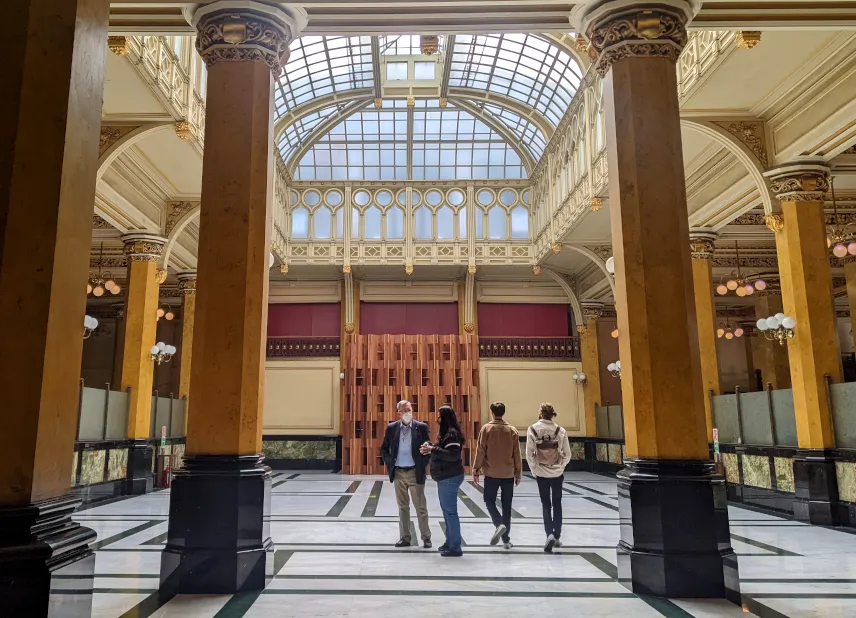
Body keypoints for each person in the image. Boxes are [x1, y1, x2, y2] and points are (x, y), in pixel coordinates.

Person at [380, 400, 432, 548]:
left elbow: (429, 447)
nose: (407, 413)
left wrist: (423, 464)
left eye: (409, 410)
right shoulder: (392, 428)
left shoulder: (421, 427)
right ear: (399, 413)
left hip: (415, 471)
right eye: (404, 410)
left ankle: (426, 537)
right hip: (398, 472)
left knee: (420, 506)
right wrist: (390, 462)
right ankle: (405, 537)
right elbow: (384, 448)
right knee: (403, 506)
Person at [472, 402, 521, 549]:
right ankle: (506, 541)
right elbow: (517, 453)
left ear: (492, 412)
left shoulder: (486, 429)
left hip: (491, 473)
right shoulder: (512, 430)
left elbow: (480, 450)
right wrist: (518, 472)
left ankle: (498, 524)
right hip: (508, 474)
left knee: (489, 500)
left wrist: (475, 469)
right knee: (507, 505)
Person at [526, 402, 572, 553]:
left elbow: (529, 454)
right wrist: (560, 466)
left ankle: (549, 534)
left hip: (541, 472)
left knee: (546, 504)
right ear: (553, 414)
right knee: (557, 503)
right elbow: (567, 454)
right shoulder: (561, 431)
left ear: (540, 414)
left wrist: (534, 469)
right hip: (557, 473)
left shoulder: (532, 429)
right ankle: (557, 536)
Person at [421, 405, 465, 557]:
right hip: (445, 476)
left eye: (439, 416)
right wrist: (432, 447)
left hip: (450, 476)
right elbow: (444, 450)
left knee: (450, 512)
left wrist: (433, 449)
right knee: (447, 512)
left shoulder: (451, 434)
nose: (436, 419)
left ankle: (455, 546)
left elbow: (453, 455)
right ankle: (450, 541)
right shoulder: (446, 433)